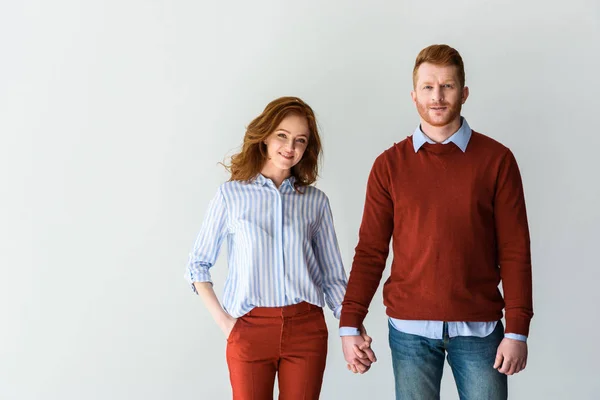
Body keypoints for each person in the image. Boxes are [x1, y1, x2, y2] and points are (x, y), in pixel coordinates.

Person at [339, 44, 533, 399]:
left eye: (448, 86)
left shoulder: (497, 160)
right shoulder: (389, 165)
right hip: (409, 329)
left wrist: (517, 330)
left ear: (464, 93)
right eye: (428, 87)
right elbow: (370, 251)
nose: (437, 96)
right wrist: (349, 322)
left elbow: (515, 250)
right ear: (414, 95)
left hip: (480, 329)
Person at [185, 96, 374, 400]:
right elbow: (197, 265)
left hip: (306, 330)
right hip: (248, 329)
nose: (290, 147)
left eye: (300, 141)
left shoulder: (315, 202)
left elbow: (333, 278)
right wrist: (227, 325)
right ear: (265, 137)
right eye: (282, 136)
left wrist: (351, 328)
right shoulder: (231, 196)